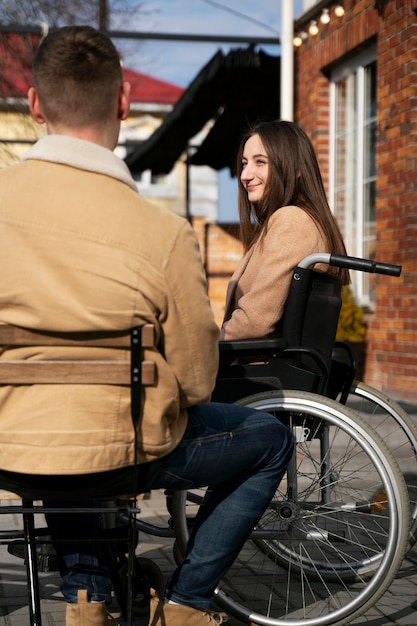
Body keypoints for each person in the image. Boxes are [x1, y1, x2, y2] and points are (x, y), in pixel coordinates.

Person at [0, 26, 294, 626]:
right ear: (124, 101)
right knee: (270, 442)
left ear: (34, 104)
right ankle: (187, 605)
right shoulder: (162, 235)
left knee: (57, 428)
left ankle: (90, 600)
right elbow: (193, 381)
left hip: (11, 447)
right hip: (124, 452)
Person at [220, 119, 350, 341]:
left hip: (258, 370)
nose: (245, 175)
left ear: (296, 169)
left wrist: (204, 354)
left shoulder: (293, 221)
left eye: (260, 162)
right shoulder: (299, 220)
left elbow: (255, 321)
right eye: (244, 163)